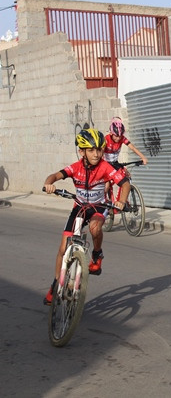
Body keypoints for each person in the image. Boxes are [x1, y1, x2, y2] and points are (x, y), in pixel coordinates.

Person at [42, 129, 131, 305]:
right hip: (80, 207)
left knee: (95, 228)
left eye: (99, 149)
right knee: (62, 248)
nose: (96, 154)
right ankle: (56, 285)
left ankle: (97, 254)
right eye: (91, 150)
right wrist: (49, 183)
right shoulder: (75, 167)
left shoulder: (106, 167)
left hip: (99, 207)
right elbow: (55, 175)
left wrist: (121, 201)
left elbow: (125, 183)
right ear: (82, 151)